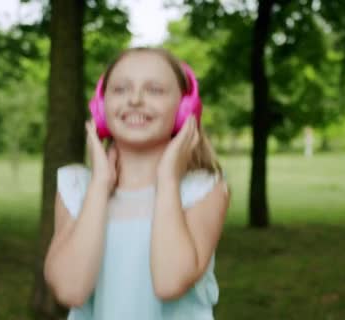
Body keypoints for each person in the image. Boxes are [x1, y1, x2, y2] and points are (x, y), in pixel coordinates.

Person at [43, 47, 230, 320]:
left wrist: (168, 179)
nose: (135, 99)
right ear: (100, 106)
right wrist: (100, 185)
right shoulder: (77, 187)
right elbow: (71, 290)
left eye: (154, 90)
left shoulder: (202, 189)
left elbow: (170, 282)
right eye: (120, 89)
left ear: (185, 108)